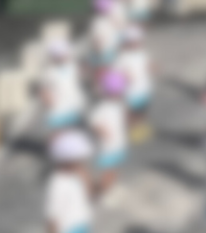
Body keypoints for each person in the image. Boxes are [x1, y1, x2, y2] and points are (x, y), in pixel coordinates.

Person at [89, 70, 129, 198]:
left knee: (114, 169)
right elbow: (94, 122)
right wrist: (102, 132)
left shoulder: (119, 104)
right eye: (116, 92)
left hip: (119, 144)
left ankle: (108, 187)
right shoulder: (102, 108)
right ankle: (99, 192)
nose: (119, 94)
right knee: (107, 172)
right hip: (108, 148)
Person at [37, 40, 86, 140]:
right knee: (58, 138)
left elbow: (81, 78)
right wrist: (48, 101)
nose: (63, 56)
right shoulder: (49, 72)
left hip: (75, 110)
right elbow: (44, 92)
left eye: (64, 53)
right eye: (58, 55)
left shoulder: (73, 67)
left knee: (74, 137)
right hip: (57, 112)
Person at [119, 22, 155, 143]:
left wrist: (152, 67)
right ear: (127, 43)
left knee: (143, 110)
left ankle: (141, 127)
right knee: (132, 113)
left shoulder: (143, 53)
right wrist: (125, 77)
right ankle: (133, 131)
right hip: (131, 92)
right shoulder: (123, 57)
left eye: (138, 41)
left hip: (144, 89)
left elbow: (148, 65)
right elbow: (119, 74)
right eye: (133, 41)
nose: (137, 43)